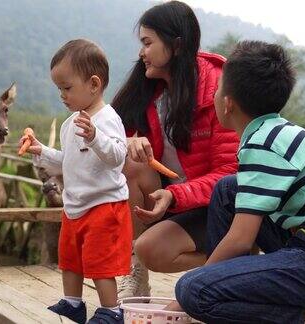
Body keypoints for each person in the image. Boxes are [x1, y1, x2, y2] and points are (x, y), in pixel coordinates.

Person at [175, 41, 305, 324]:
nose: (214, 95)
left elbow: (241, 239)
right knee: (229, 190)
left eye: (217, 89)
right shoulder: (276, 131)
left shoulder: (263, 145)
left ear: (227, 103)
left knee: (193, 291)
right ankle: (224, 286)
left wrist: (190, 293)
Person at [112, 0, 238, 298]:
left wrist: (175, 194)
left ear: (176, 45)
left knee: (154, 249)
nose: (141, 52)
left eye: (147, 42)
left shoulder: (219, 91)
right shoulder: (148, 89)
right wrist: (125, 140)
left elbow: (230, 172)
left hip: (217, 207)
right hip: (171, 202)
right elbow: (104, 135)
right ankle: (136, 272)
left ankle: (235, 261)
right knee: (130, 163)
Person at [20, 39, 131, 324]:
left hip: (104, 204)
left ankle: (111, 310)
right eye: (59, 89)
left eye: (67, 88)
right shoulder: (71, 123)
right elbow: (65, 163)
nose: (62, 95)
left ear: (94, 84)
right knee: (70, 258)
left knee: (100, 263)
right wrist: (41, 152)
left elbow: (118, 156)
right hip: (75, 206)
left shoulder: (107, 119)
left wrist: (95, 137)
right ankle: (72, 303)